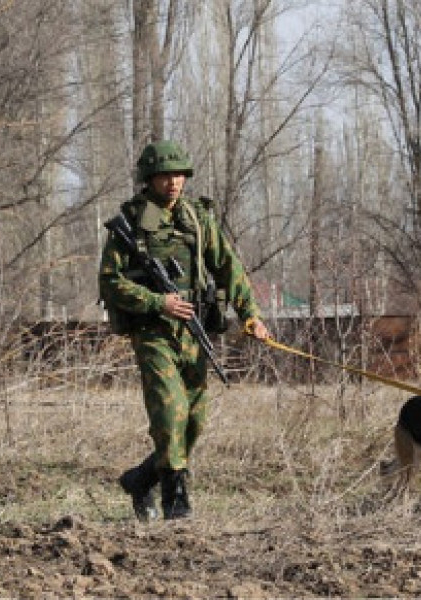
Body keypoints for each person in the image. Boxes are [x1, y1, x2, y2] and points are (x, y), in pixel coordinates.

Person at [99, 140, 270, 521]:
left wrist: (250, 314)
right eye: (165, 176)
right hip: (153, 331)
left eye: (179, 175)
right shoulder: (131, 223)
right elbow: (110, 281)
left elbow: (228, 266)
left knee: (194, 418)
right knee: (170, 409)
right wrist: (160, 302)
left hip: (192, 330)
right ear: (150, 179)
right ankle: (175, 496)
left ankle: (143, 478)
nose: (174, 182)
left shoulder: (196, 218)